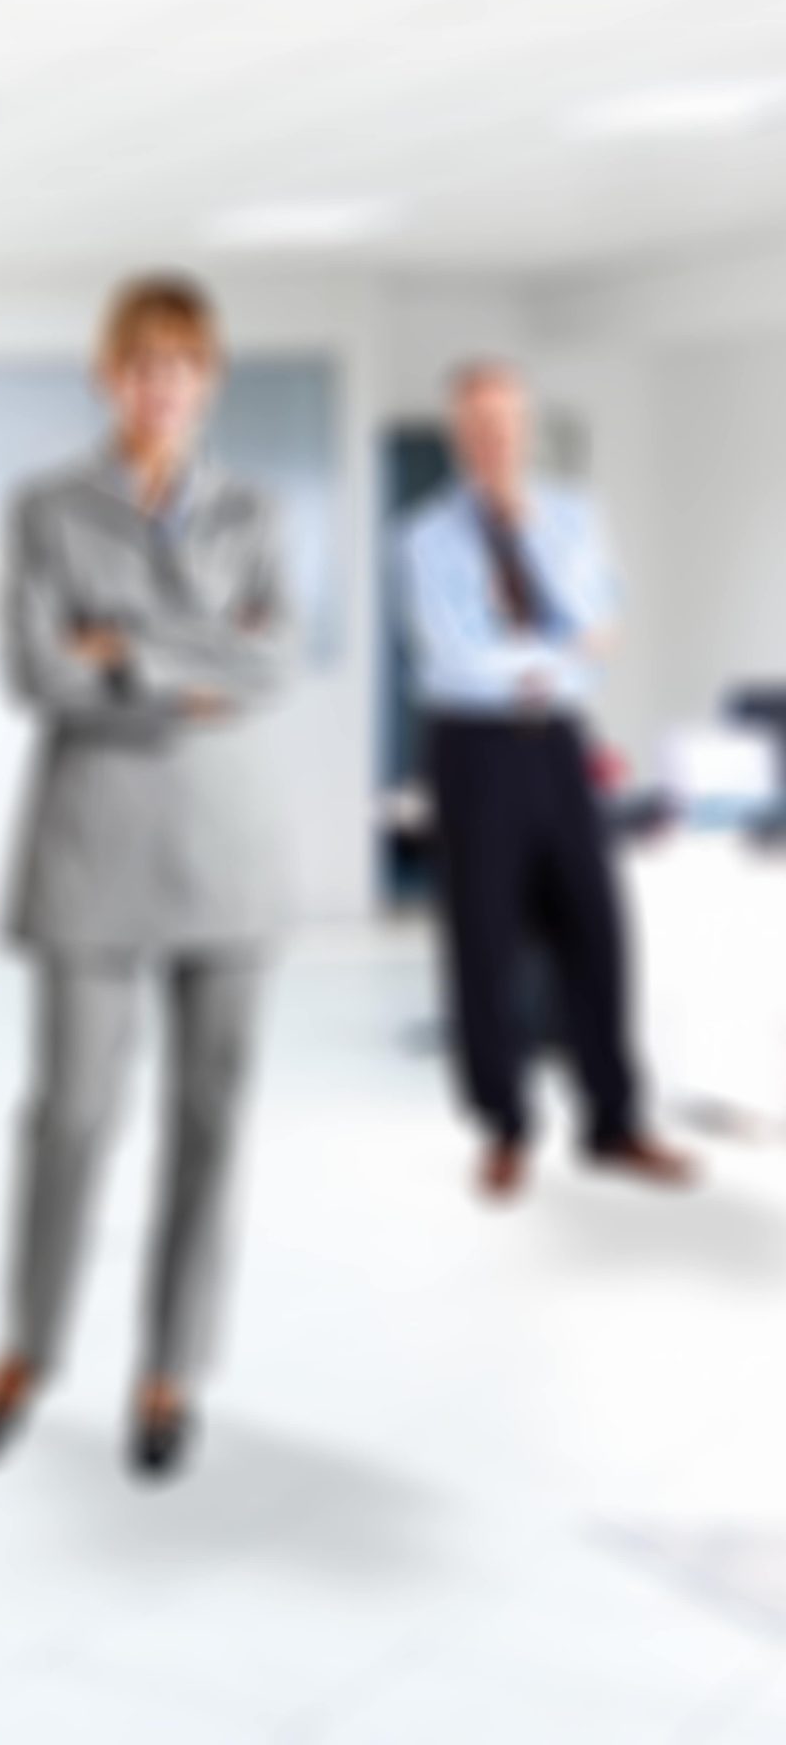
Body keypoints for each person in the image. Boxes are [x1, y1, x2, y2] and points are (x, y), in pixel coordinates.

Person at [0, 276, 289, 1480]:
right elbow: (34, 669)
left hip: (227, 855)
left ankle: (171, 1371)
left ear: (205, 381)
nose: (161, 389)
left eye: (183, 368)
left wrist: (122, 651)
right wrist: (185, 666)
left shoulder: (252, 510)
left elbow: (269, 662)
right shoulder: (48, 509)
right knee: (70, 1116)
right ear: (111, 376)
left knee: (208, 1123)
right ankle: (29, 1348)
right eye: (141, 366)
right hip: (91, 851)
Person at [396, 359, 694, 1199]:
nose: (493, 439)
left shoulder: (572, 518)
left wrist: (530, 542)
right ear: (460, 434)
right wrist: (550, 659)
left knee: (596, 928)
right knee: (483, 939)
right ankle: (504, 1126)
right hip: (472, 747)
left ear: (524, 430)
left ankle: (616, 1122)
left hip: (558, 744)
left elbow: (602, 633)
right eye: (478, 425)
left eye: (506, 424)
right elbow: (455, 659)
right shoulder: (423, 536)